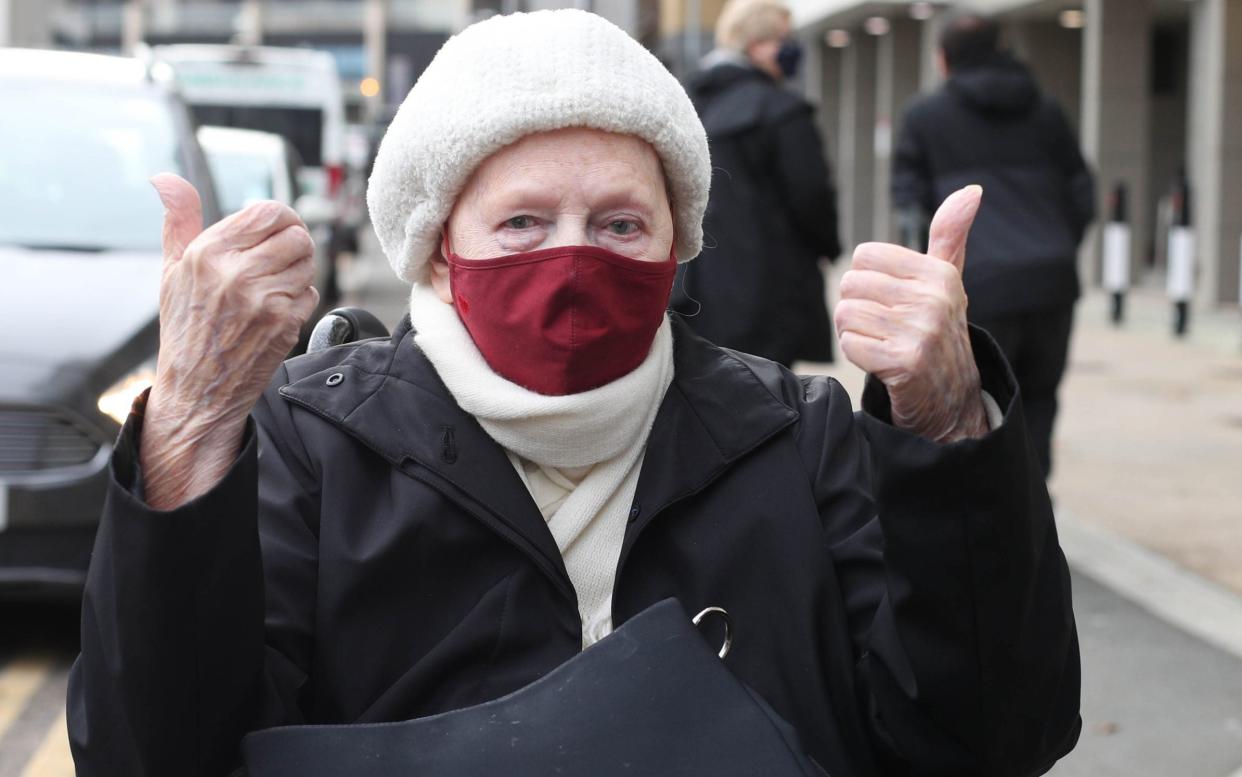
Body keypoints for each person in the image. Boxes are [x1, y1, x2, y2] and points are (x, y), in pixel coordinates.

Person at [68, 10, 1080, 777]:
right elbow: (150, 754)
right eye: (519, 223)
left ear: (678, 243)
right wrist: (193, 422)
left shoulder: (796, 439)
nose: (571, 261)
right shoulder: (313, 444)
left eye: (620, 225)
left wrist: (950, 427)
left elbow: (996, 736)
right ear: (435, 247)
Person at [892, 13, 1096, 477]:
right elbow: (1082, 192)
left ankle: (994, 511)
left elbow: (909, 204)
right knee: (1040, 397)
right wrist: (1059, 243)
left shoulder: (926, 116)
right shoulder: (1045, 110)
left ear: (943, 59)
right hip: (1051, 280)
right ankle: (1035, 504)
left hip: (978, 282)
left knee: (978, 403)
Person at [671, 0, 841, 367]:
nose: (791, 47)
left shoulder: (690, 106)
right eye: (784, 38)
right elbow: (811, 194)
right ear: (758, 45)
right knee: (770, 395)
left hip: (698, 285)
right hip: (772, 284)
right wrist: (831, 245)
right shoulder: (781, 110)